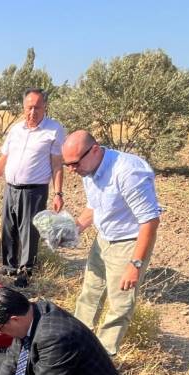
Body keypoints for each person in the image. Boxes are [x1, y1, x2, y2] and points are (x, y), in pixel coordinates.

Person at [61, 130, 162, 357]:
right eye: (67, 164)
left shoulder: (128, 172)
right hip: (104, 239)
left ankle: (102, 359)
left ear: (94, 150)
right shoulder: (89, 170)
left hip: (128, 244)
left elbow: (149, 221)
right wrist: (74, 228)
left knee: (119, 305)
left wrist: (135, 264)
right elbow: (94, 206)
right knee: (90, 294)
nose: (71, 170)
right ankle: (77, 347)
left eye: (74, 163)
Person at [0, 89, 66, 288]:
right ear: (23, 107)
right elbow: (4, 158)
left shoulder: (53, 130)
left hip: (34, 190)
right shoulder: (16, 130)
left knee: (28, 230)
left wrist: (58, 193)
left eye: (37, 107)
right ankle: (9, 265)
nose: (32, 112)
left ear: (45, 107)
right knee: (8, 227)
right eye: (29, 107)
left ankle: (26, 271)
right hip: (11, 187)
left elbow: (57, 165)